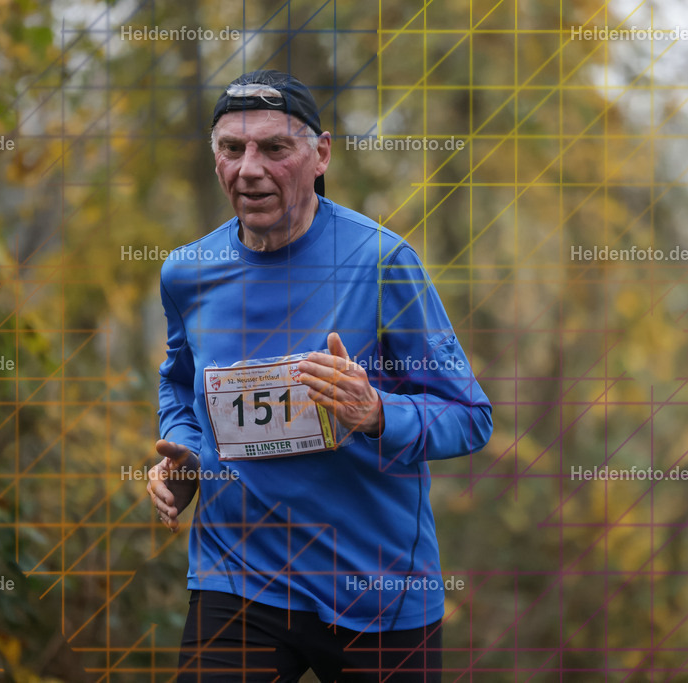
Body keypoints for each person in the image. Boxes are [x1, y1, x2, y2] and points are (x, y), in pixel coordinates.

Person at [146, 69, 492, 683]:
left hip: (374, 589)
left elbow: (470, 416)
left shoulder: (382, 262)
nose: (249, 168)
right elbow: (179, 381)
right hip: (239, 577)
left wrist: (379, 413)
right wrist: (190, 454)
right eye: (231, 148)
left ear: (319, 154)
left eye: (274, 148)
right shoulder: (187, 273)